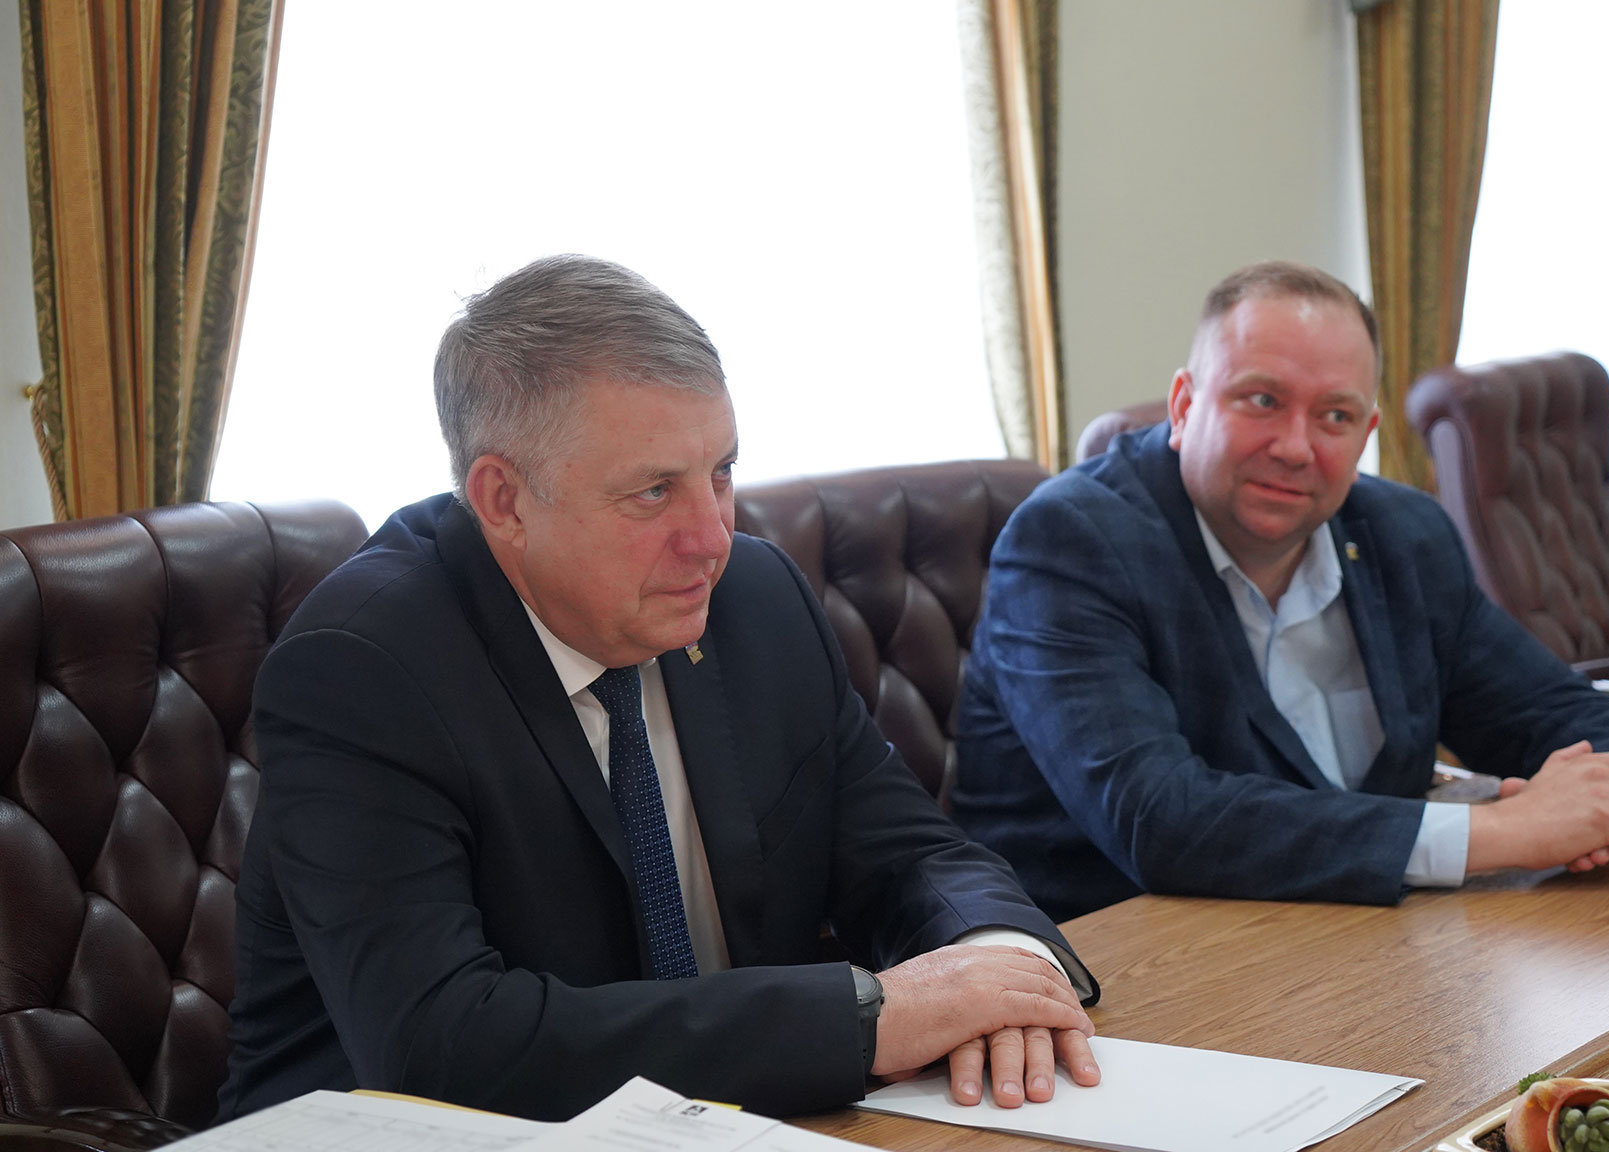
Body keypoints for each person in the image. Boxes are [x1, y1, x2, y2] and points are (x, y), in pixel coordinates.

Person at [219, 255, 1100, 1122]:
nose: (711, 539)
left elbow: (911, 856)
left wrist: (999, 965)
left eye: (721, 472)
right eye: (653, 492)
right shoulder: (364, 668)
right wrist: (864, 1020)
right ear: (505, 500)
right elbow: (443, 1043)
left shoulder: (755, 600)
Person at [951, 260, 1609, 922]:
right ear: (1183, 407)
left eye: (1334, 416)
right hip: (1113, 972)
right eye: (1261, 400)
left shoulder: (1402, 534)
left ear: (1365, 433)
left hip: (1351, 933)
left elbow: (1553, 711)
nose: (1295, 447)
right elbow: (1161, 820)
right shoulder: (1069, 543)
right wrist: (1504, 832)